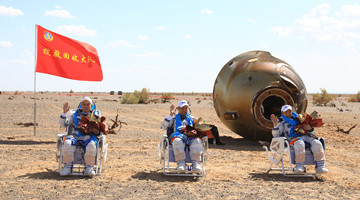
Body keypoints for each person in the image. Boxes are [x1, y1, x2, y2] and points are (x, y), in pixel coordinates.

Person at [270, 105, 328, 174]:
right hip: (293, 139)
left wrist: (309, 128)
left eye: (289, 111)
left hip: (306, 136)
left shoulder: (300, 119)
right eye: (286, 112)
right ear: (282, 113)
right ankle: (299, 166)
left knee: (317, 143)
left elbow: (312, 131)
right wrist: (275, 125)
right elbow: (276, 135)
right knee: (300, 144)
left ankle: (320, 166)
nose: (288, 113)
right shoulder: (282, 124)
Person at [59, 97, 107, 176]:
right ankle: (67, 167)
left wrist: (96, 130)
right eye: (84, 104)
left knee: (91, 145)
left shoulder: (94, 116)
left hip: (87, 137)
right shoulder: (74, 115)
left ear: (91, 106)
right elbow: (63, 124)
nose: (86, 106)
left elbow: (99, 131)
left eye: (88, 104)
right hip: (74, 135)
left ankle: (89, 168)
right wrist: (64, 113)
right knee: (67, 143)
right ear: (81, 105)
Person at [160, 100, 204, 173]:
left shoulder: (192, 119)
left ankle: (196, 165)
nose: (184, 110)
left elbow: (199, 127)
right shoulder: (173, 119)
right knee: (177, 141)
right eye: (182, 108)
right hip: (178, 136)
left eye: (185, 108)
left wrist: (200, 124)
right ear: (178, 109)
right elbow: (163, 126)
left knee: (197, 141)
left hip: (191, 137)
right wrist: (170, 115)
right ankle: (181, 164)